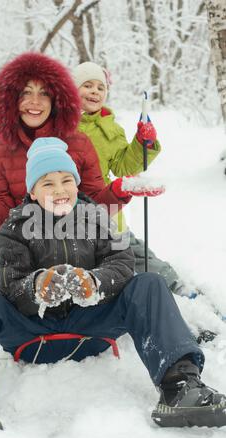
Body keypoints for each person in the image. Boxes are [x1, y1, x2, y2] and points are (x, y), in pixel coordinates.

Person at [0, 137, 226, 433]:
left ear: (77, 184)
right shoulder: (15, 227)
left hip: (93, 324)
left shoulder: (98, 217)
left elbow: (122, 263)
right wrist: (37, 287)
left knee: (148, 283)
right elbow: (8, 282)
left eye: (66, 180)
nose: (59, 190)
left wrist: (95, 282)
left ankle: (180, 387)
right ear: (32, 191)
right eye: (47, 183)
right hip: (31, 329)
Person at [0, 52, 163, 350]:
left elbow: (94, 209)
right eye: (26, 92)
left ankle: (187, 323)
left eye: (43, 93)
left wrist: (119, 190)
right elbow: (5, 219)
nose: (34, 101)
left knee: (151, 273)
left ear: (57, 99)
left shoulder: (78, 142)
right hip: (29, 246)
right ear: (11, 99)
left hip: (84, 244)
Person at [72, 61, 191, 296]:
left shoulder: (110, 129)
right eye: (87, 85)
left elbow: (124, 166)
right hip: (67, 214)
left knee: (132, 251)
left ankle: (178, 289)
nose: (95, 91)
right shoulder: (60, 125)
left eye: (100, 87)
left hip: (105, 210)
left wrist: (142, 144)